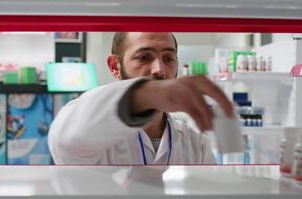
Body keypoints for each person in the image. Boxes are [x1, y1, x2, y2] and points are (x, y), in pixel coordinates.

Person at [48, 32, 234, 165]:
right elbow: (63, 139)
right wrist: (147, 93)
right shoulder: (95, 137)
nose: (159, 69)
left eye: (168, 59)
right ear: (115, 66)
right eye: (144, 57)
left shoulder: (195, 142)